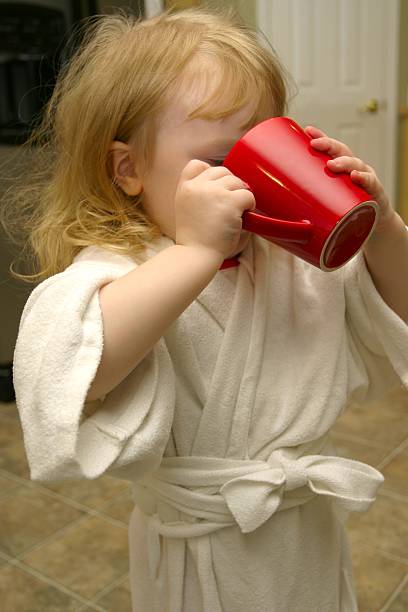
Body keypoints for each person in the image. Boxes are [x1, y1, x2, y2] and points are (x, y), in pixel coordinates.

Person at [4, 5, 408, 612]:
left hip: (301, 540)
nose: (251, 187)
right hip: (199, 553)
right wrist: (193, 255)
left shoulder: (291, 261)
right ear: (129, 168)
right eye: (226, 166)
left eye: (267, 154)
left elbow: (397, 311)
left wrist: (382, 230)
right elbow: (72, 368)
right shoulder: (122, 269)